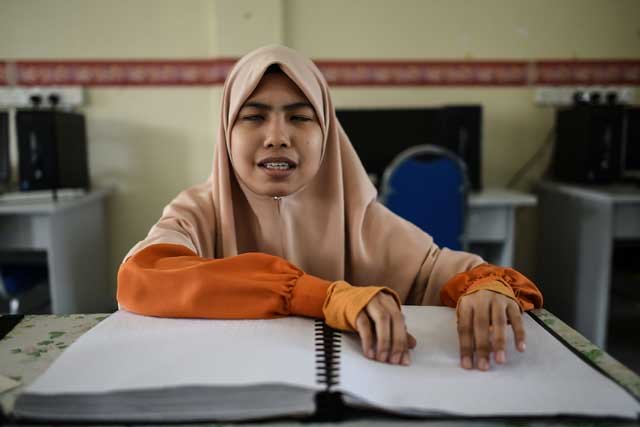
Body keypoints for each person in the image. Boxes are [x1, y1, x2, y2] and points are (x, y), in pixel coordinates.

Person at [117, 45, 542, 371]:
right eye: (253, 116)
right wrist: (323, 296)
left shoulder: (364, 220)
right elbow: (142, 277)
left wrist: (487, 289)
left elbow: (460, 272)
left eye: (300, 118)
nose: (277, 136)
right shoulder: (199, 211)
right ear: (226, 133)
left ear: (329, 137)